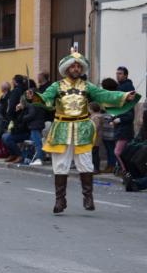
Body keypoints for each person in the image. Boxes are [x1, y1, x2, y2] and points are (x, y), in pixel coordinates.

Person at [29, 49, 137, 214]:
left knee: (86, 163)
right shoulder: (56, 86)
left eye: (79, 66)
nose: (76, 69)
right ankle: (60, 200)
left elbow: (104, 95)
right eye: (73, 66)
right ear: (67, 68)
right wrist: (34, 97)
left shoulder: (87, 87)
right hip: (61, 129)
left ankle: (88, 198)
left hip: (82, 128)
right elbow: (46, 99)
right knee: (60, 165)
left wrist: (124, 96)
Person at [113, 66, 136, 174]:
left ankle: (126, 172)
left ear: (126, 75)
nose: (118, 75)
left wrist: (120, 120)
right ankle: (126, 171)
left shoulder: (127, 87)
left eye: (120, 73)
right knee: (123, 153)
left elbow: (129, 113)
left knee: (118, 152)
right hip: (120, 128)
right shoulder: (121, 86)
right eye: (117, 73)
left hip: (125, 129)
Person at [100, 78, 119, 173]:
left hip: (111, 125)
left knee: (111, 148)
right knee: (108, 147)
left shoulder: (114, 96)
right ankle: (109, 165)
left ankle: (112, 166)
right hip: (106, 125)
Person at [89, 102, 104, 174]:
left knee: (94, 153)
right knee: (95, 153)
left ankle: (95, 168)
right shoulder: (96, 116)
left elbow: (95, 127)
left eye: (89, 108)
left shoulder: (96, 117)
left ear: (92, 109)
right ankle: (95, 168)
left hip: (94, 138)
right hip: (96, 137)